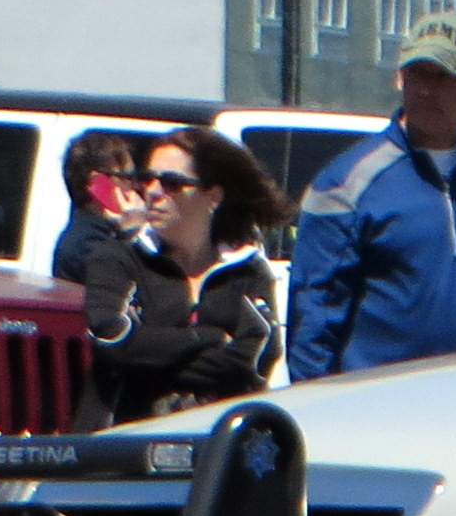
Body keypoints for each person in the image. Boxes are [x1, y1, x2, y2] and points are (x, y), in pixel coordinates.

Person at [287, 12, 456, 380]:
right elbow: (314, 316)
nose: (425, 89)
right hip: (381, 413)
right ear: (399, 77)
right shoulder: (347, 183)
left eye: (443, 75)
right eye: (416, 73)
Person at [75, 126, 288, 428]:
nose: (152, 191)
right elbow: (115, 342)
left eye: (172, 183)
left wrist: (150, 356)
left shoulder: (249, 271)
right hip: (122, 449)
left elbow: (252, 363)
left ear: (213, 195)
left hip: (212, 450)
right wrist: (210, 337)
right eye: (147, 179)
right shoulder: (117, 259)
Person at [48, 128, 148, 285]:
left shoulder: (105, 234)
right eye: (127, 177)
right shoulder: (85, 244)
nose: (135, 185)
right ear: (98, 182)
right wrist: (130, 237)